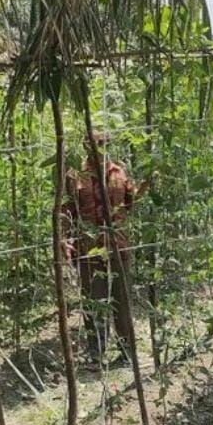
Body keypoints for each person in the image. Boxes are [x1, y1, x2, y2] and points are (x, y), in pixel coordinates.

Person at [62, 131, 146, 361]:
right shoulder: (75, 175)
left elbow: (130, 202)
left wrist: (148, 182)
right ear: (85, 146)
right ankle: (96, 353)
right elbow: (67, 211)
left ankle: (127, 352)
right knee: (94, 300)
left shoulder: (119, 172)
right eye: (95, 143)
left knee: (122, 299)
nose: (99, 147)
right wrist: (64, 240)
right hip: (88, 247)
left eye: (103, 143)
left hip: (118, 244)